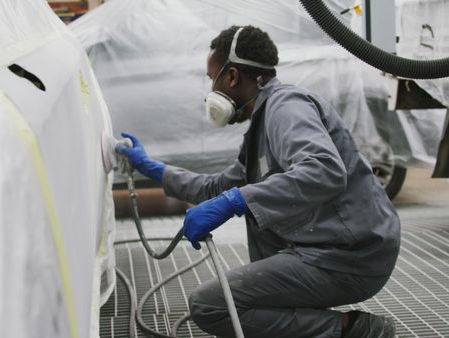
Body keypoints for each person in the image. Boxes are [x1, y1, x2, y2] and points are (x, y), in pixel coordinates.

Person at [117, 25, 400, 338]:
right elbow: (216, 188)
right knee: (253, 255)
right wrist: (155, 169)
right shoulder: (263, 122)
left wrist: (235, 201)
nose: (211, 89)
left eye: (213, 78)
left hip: (352, 256)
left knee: (210, 305)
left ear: (232, 76)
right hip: (334, 248)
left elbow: (324, 170)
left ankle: (351, 331)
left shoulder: (286, 108)